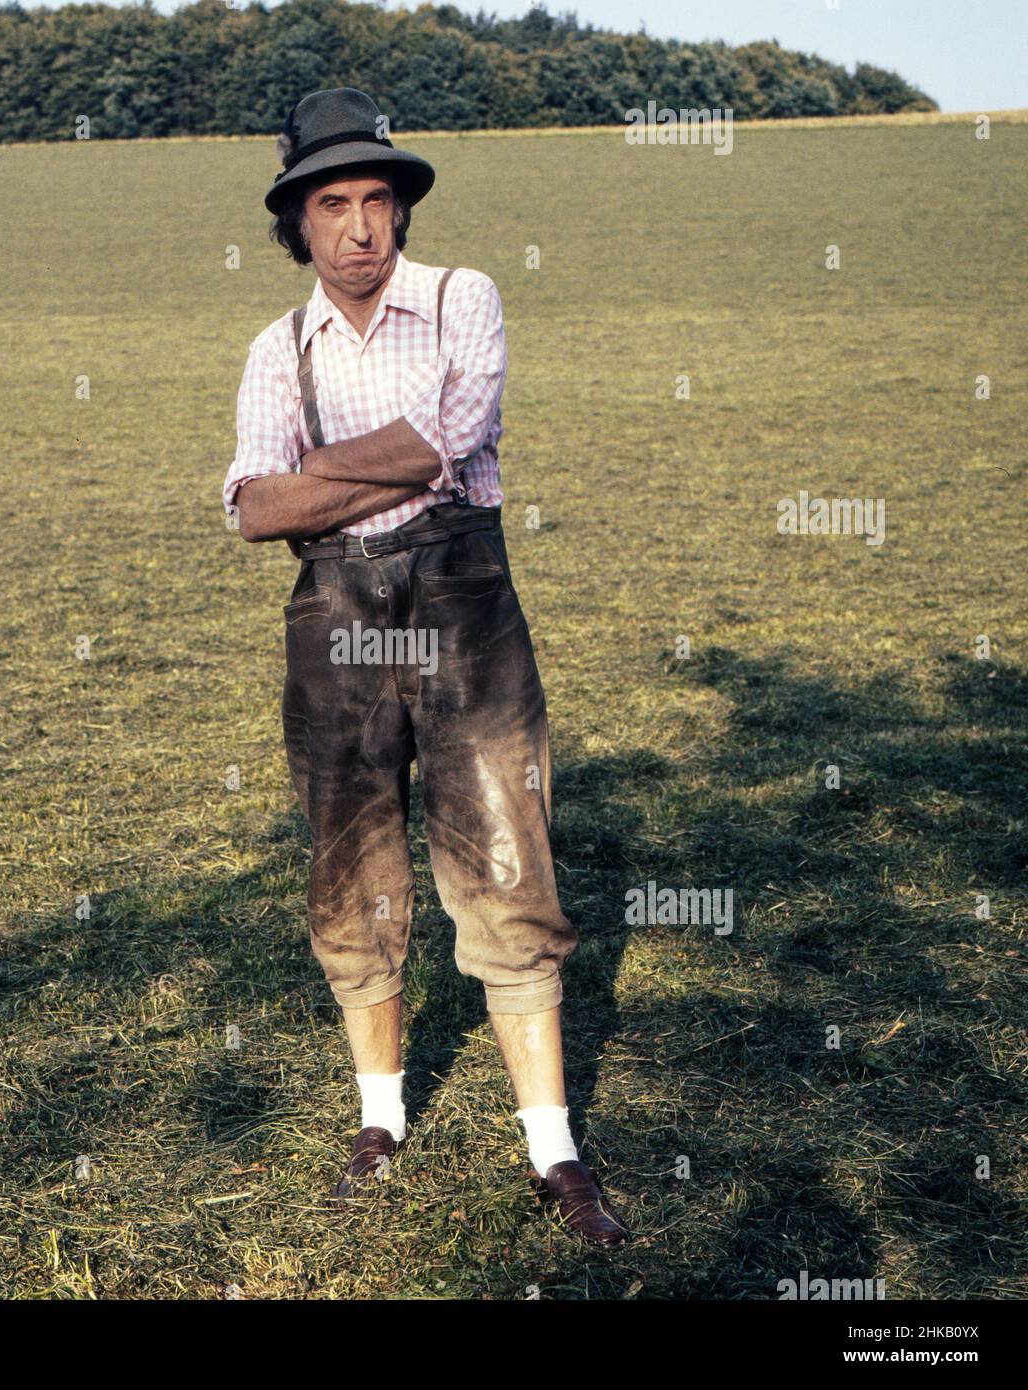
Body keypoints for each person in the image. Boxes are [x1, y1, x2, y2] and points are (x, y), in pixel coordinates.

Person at [223, 87, 628, 1246]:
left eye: (378, 202)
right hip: (337, 619)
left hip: (463, 608)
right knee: (351, 863)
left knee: (507, 858)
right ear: (298, 223)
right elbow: (252, 512)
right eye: (333, 205)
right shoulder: (273, 347)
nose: (359, 229)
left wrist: (320, 473)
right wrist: (365, 474)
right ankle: (379, 1123)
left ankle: (553, 1150)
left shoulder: (463, 300)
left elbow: (440, 443)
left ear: (400, 210)